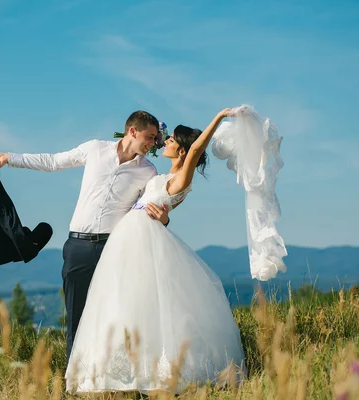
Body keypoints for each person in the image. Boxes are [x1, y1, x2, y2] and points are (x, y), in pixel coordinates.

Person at [64, 108, 247, 395]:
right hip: (126, 237)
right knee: (121, 304)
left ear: (184, 151)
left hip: (140, 240)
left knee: (141, 304)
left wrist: (221, 116)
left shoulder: (182, 178)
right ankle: (113, 369)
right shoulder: (160, 174)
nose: (165, 141)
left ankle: (145, 372)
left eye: (171, 139)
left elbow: (197, 148)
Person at [0, 110, 171, 363]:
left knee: (116, 313)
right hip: (78, 246)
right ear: (132, 131)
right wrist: (11, 158)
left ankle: (113, 375)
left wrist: (164, 220)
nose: (152, 144)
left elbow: (149, 209)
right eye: (149, 138)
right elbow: (53, 162)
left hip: (115, 248)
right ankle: (74, 377)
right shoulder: (95, 149)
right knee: (76, 314)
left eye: (155, 139)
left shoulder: (148, 172)